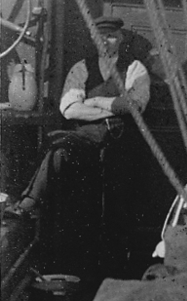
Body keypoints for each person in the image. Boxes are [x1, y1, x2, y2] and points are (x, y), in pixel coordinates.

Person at [5, 16, 150, 219]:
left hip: (119, 140)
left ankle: (29, 203)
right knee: (58, 149)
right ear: (93, 39)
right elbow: (69, 109)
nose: (105, 41)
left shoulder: (135, 68)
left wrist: (96, 101)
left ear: (121, 38)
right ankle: (32, 206)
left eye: (111, 37)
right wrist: (114, 108)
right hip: (86, 139)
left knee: (61, 145)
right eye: (100, 37)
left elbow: (135, 105)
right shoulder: (82, 67)